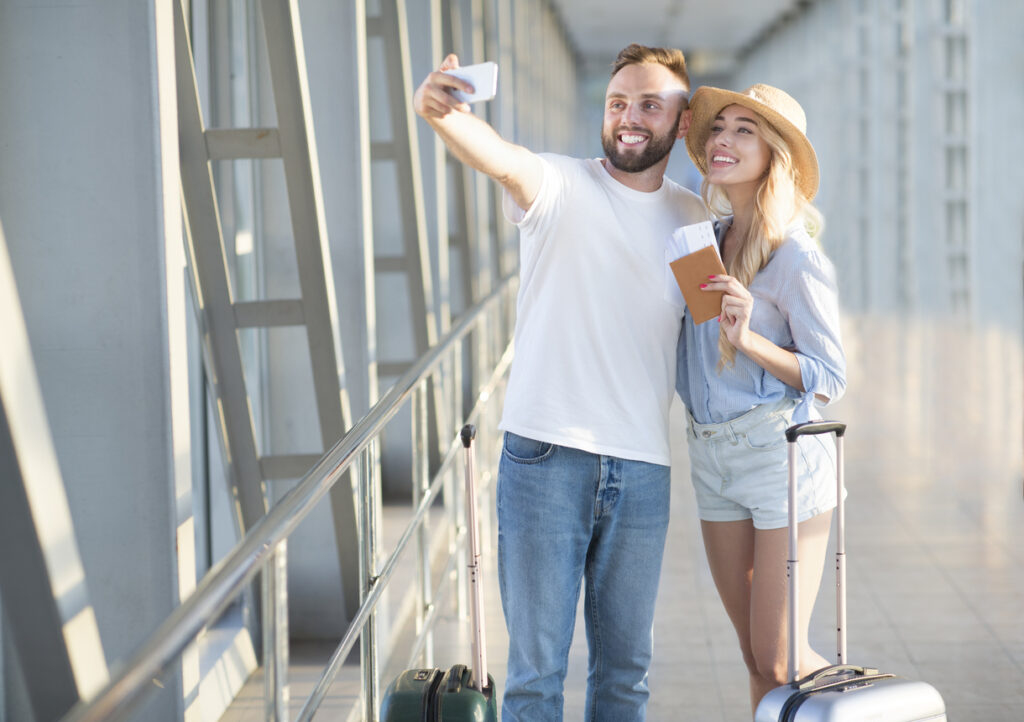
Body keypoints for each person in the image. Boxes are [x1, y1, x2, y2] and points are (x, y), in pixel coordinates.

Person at [414, 44, 707, 720]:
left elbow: (712, 329)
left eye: (648, 105)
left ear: (681, 123)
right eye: (617, 103)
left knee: (626, 676)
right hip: (545, 458)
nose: (629, 117)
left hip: (642, 468)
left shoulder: (691, 219)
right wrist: (442, 114)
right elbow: (498, 155)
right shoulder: (559, 184)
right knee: (536, 676)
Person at [674, 84, 846, 715]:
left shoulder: (794, 256)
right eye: (718, 128)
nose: (724, 141)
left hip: (780, 460)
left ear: (774, 153)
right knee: (756, 656)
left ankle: (883, 708)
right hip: (712, 460)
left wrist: (748, 341)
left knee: (777, 655)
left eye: (745, 131)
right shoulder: (701, 243)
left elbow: (829, 373)